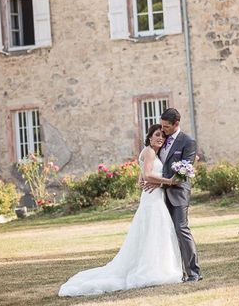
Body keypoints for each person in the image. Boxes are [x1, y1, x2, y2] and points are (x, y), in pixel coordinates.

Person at [58, 125, 183, 296]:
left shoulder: (150, 152)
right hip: (152, 199)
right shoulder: (150, 152)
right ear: (150, 137)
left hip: (153, 197)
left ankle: (158, 266)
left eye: (162, 136)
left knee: (152, 233)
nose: (160, 138)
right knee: (153, 232)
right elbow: (147, 175)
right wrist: (170, 182)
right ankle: (152, 270)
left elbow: (143, 175)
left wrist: (150, 180)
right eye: (157, 135)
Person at [144, 108, 202, 282]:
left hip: (178, 193)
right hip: (159, 196)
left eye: (167, 126)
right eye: (162, 126)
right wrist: (144, 177)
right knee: (165, 233)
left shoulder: (188, 142)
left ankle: (193, 272)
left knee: (181, 230)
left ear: (176, 124)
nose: (163, 130)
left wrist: (160, 181)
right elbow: (150, 161)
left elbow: (184, 171)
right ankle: (175, 272)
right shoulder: (161, 138)